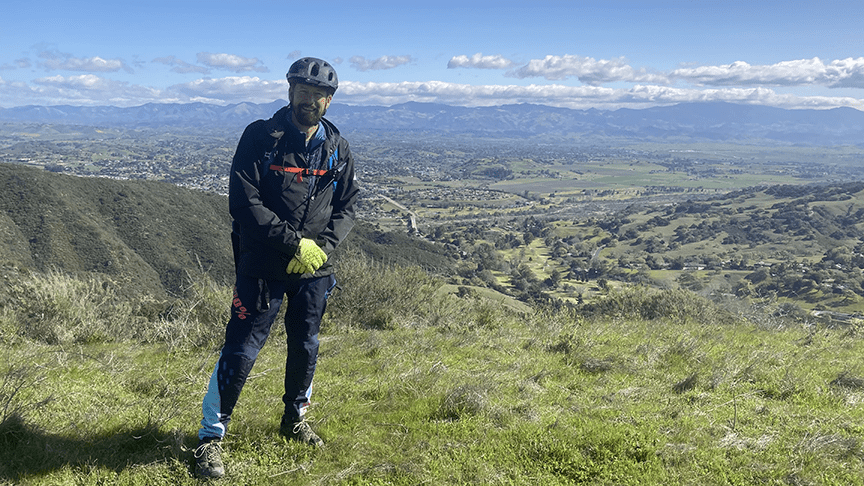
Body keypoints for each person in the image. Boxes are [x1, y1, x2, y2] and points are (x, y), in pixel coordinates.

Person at [194, 57, 359, 479]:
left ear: (329, 100)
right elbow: (243, 202)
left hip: (313, 270)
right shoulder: (260, 137)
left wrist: (322, 247)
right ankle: (210, 439)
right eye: (302, 91)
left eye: (318, 94)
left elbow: (348, 205)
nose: (309, 100)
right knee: (242, 347)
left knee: (306, 345)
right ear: (289, 92)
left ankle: (294, 420)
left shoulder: (336, 148)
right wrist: (295, 242)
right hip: (262, 265)